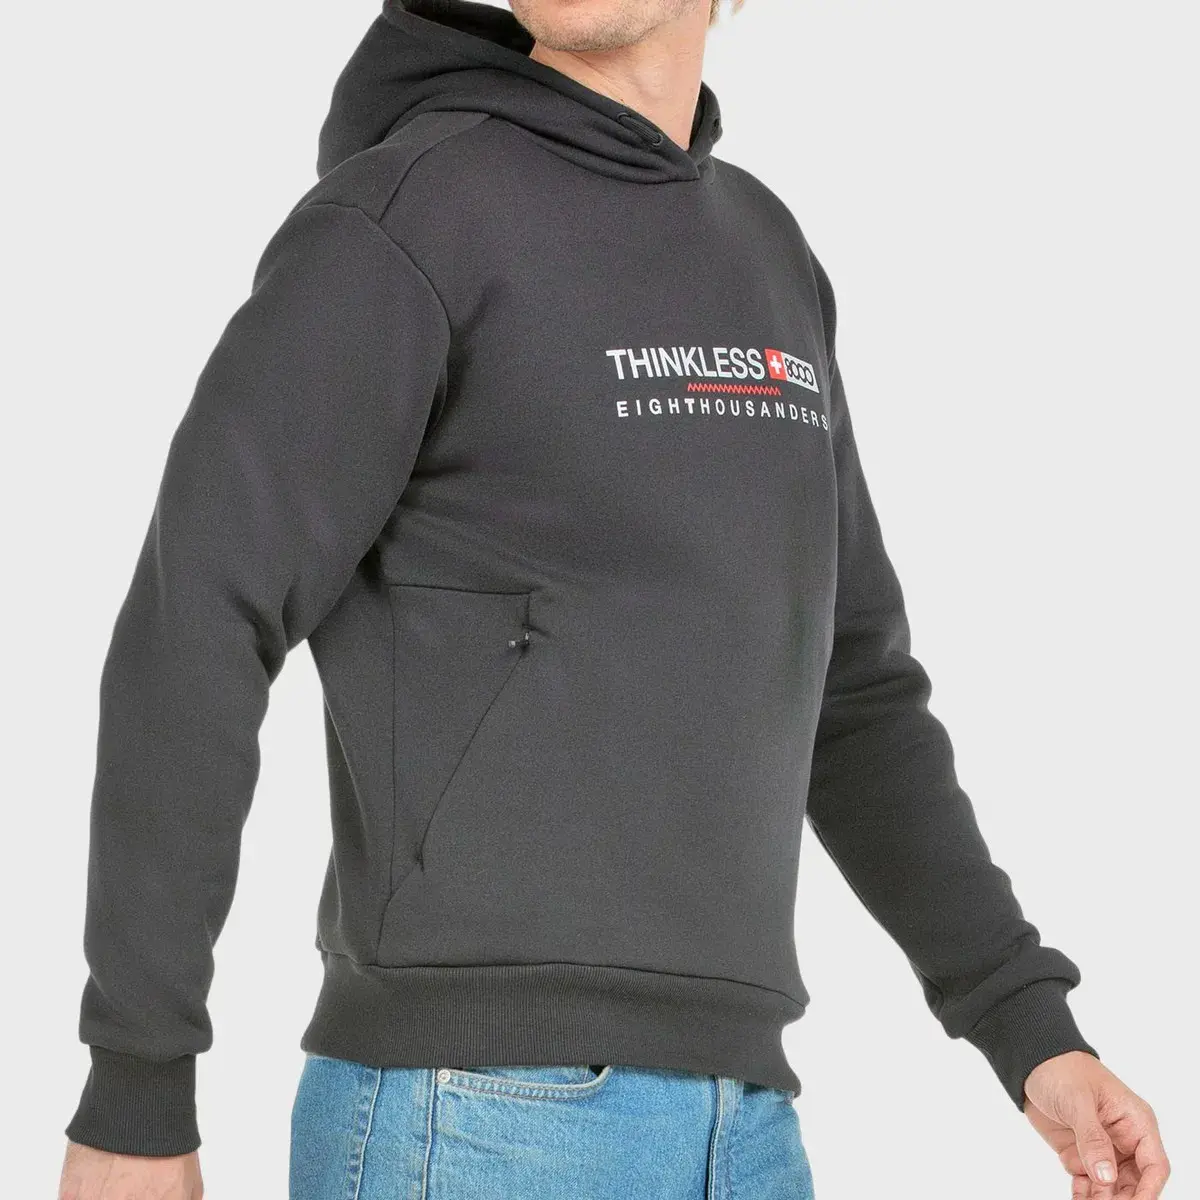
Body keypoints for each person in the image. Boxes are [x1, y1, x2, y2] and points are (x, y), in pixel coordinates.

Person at [58, 0, 1171, 1198]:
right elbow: (199, 617)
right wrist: (137, 1087)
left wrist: (1028, 1026)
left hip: (745, 1121)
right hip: (471, 1113)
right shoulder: (404, 220)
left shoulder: (766, 253)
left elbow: (851, 691)